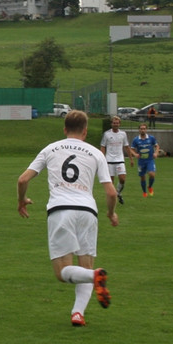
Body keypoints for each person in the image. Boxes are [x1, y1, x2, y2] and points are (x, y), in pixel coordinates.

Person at [17, 110, 117, 327]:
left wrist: (22, 200)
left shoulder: (50, 148)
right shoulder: (95, 153)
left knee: (63, 272)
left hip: (61, 210)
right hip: (88, 212)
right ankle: (78, 313)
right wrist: (110, 213)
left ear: (64, 129)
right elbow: (111, 193)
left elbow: (22, 179)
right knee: (86, 266)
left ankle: (95, 278)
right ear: (85, 131)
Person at [100, 116, 131, 204]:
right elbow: (103, 146)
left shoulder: (123, 134)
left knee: (122, 179)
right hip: (109, 160)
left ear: (119, 124)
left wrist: (131, 159)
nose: (115, 124)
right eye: (114, 123)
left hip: (120, 160)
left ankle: (118, 192)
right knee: (111, 182)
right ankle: (112, 199)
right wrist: (102, 159)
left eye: (117, 123)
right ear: (111, 124)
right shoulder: (107, 134)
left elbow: (126, 146)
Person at [129, 123, 159, 197]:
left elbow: (157, 146)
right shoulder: (136, 140)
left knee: (152, 174)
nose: (142, 130)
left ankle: (150, 186)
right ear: (139, 130)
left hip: (150, 160)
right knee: (142, 177)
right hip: (141, 161)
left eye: (144, 129)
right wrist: (135, 154)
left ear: (146, 129)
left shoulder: (151, 138)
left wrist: (156, 153)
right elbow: (131, 149)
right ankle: (144, 192)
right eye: (141, 129)